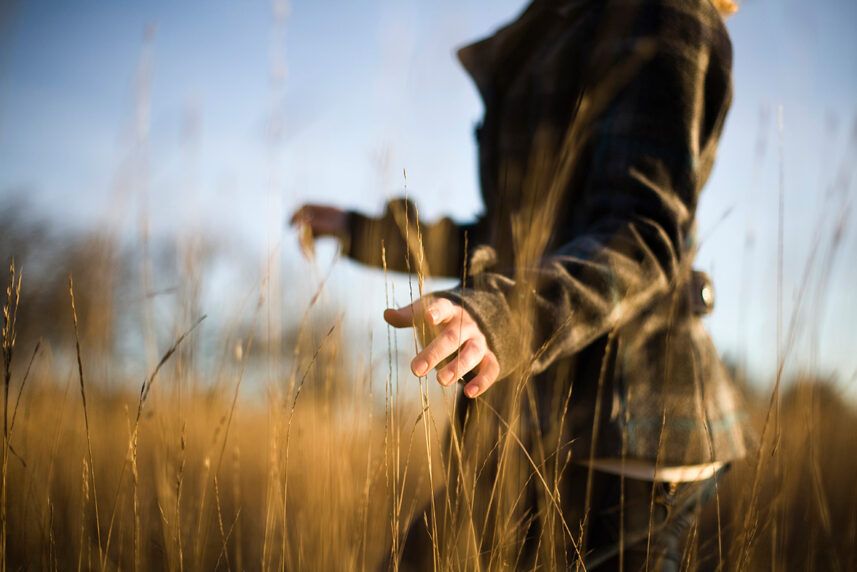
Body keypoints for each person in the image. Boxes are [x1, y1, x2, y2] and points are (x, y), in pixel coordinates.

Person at [292, 0, 751, 568]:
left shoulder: (663, 14)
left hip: (625, 430)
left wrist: (501, 314)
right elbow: (514, 237)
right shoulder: (558, 25)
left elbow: (640, 233)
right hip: (530, 419)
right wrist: (367, 233)